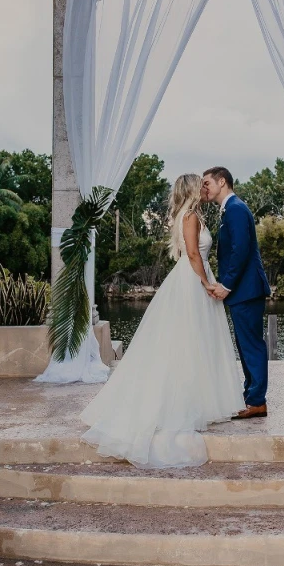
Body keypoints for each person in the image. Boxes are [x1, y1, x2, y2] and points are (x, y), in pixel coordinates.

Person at [80, 173, 244, 469]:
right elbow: (193, 253)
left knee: (191, 342)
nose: (205, 188)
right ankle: (186, 403)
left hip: (188, 277)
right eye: (202, 184)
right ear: (193, 190)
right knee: (191, 342)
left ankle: (198, 399)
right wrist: (206, 282)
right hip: (193, 279)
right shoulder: (191, 215)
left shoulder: (186, 213)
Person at [202, 166, 271, 419]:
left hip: (246, 289)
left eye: (207, 183)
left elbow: (240, 251)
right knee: (245, 345)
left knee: (251, 345)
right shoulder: (229, 210)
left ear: (222, 182)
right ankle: (251, 396)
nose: (204, 188)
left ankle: (257, 401)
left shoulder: (236, 209)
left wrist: (226, 284)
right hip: (243, 291)